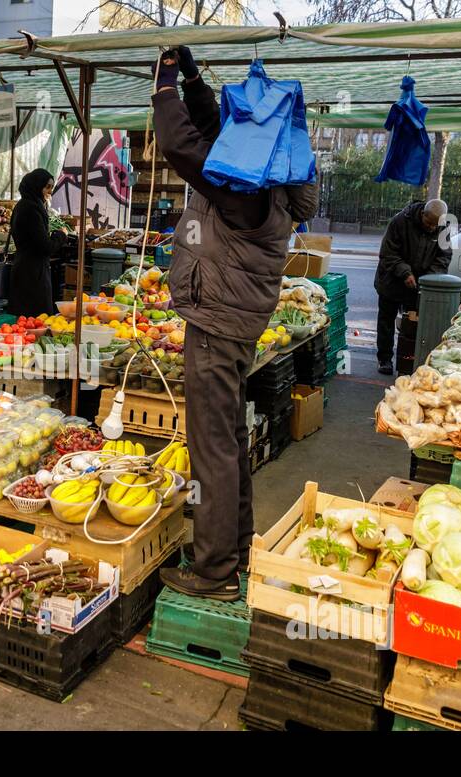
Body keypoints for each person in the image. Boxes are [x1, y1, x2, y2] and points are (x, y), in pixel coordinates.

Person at [151, 47, 319, 602]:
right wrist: (196, 81)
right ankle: (236, 547)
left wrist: (164, 88)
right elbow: (214, 132)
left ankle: (213, 570)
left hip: (218, 322)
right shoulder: (272, 184)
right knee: (227, 437)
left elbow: (180, 146)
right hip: (234, 317)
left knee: (212, 447)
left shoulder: (245, 195)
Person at [375, 198, 451, 375]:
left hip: (419, 283)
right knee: (386, 321)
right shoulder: (400, 221)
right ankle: (384, 359)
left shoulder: (442, 227)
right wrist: (405, 273)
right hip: (391, 280)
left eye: (435, 225)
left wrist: (428, 279)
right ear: (423, 214)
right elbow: (388, 253)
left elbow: (444, 256)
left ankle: (408, 362)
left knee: (413, 325)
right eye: (429, 222)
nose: (432, 227)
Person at [6, 168, 64, 318]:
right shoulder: (32, 209)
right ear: (36, 186)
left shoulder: (23, 205)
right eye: (47, 187)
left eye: (51, 187)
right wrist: (61, 235)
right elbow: (46, 247)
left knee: (25, 321)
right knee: (37, 321)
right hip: (32, 276)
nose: (50, 191)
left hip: (25, 270)